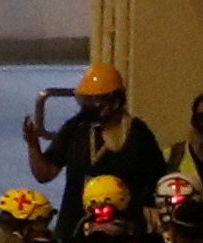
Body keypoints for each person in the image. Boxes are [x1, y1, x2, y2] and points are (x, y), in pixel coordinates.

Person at [27, 65, 166, 201]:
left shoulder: (137, 133)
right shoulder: (76, 128)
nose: (87, 107)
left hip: (124, 218)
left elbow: (156, 181)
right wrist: (33, 145)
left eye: (94, 101)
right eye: (85, 100)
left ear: (115, 102)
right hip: (77, 220)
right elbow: (45, 174)